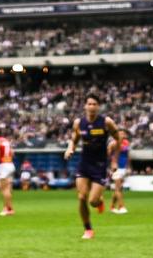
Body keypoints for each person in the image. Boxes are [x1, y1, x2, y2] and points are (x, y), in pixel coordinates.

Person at [64, 93, 121, 240]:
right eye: (89, 104)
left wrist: (114, 161)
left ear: (98, 106)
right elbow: (74, 140)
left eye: (94, 104)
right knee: (82, 197)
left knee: (93, 202)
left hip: (100, 165)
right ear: (85, 106)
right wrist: (70, 148)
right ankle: (88, 229)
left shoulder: (106, 122)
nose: (91, 107)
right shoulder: (78, 123)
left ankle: (100, 200)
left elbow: (118, 139)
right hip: (84, 164)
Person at [109, 130, 130, 214]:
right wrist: (112, 164)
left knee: (119, 188)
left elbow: (127, 155)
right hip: (116, 168)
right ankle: (122, 207)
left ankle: (112, 207)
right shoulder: (113, 143)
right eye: (120, 133)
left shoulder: (126, 142)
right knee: (118, 188)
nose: (122, 134)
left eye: (123, 133)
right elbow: (107, 154)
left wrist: (128, 167)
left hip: (123, 168)